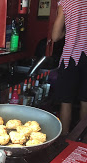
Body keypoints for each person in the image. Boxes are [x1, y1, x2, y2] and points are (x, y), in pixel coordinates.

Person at [52, 0, 87, 134]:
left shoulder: (67, 3)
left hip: (71, 57)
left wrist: (70, 31)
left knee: (66, 102)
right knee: (86, 100)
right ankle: (83, 142)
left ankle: (64, 142)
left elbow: (55, 36)